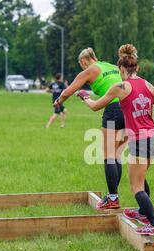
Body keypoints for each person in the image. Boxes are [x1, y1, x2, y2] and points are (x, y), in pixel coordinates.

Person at [78, 44, 154, 237]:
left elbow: (96, 106)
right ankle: (142, 213)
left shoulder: (120, 87)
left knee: (136, 187)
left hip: (140, 141)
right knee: (141, 177)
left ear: (121, 69)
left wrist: (84, 97)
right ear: (136, 68)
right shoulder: (148, 85)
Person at [54, 48, 127, 210]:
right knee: (117, 154)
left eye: (82, 65)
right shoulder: (111, 66)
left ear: (84, 62)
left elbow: (69, 90)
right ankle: (113, 195)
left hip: (113, 109)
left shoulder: (90, 70)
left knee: (109, 155)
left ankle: (113, 197)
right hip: (128, 108)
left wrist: (59, 101)